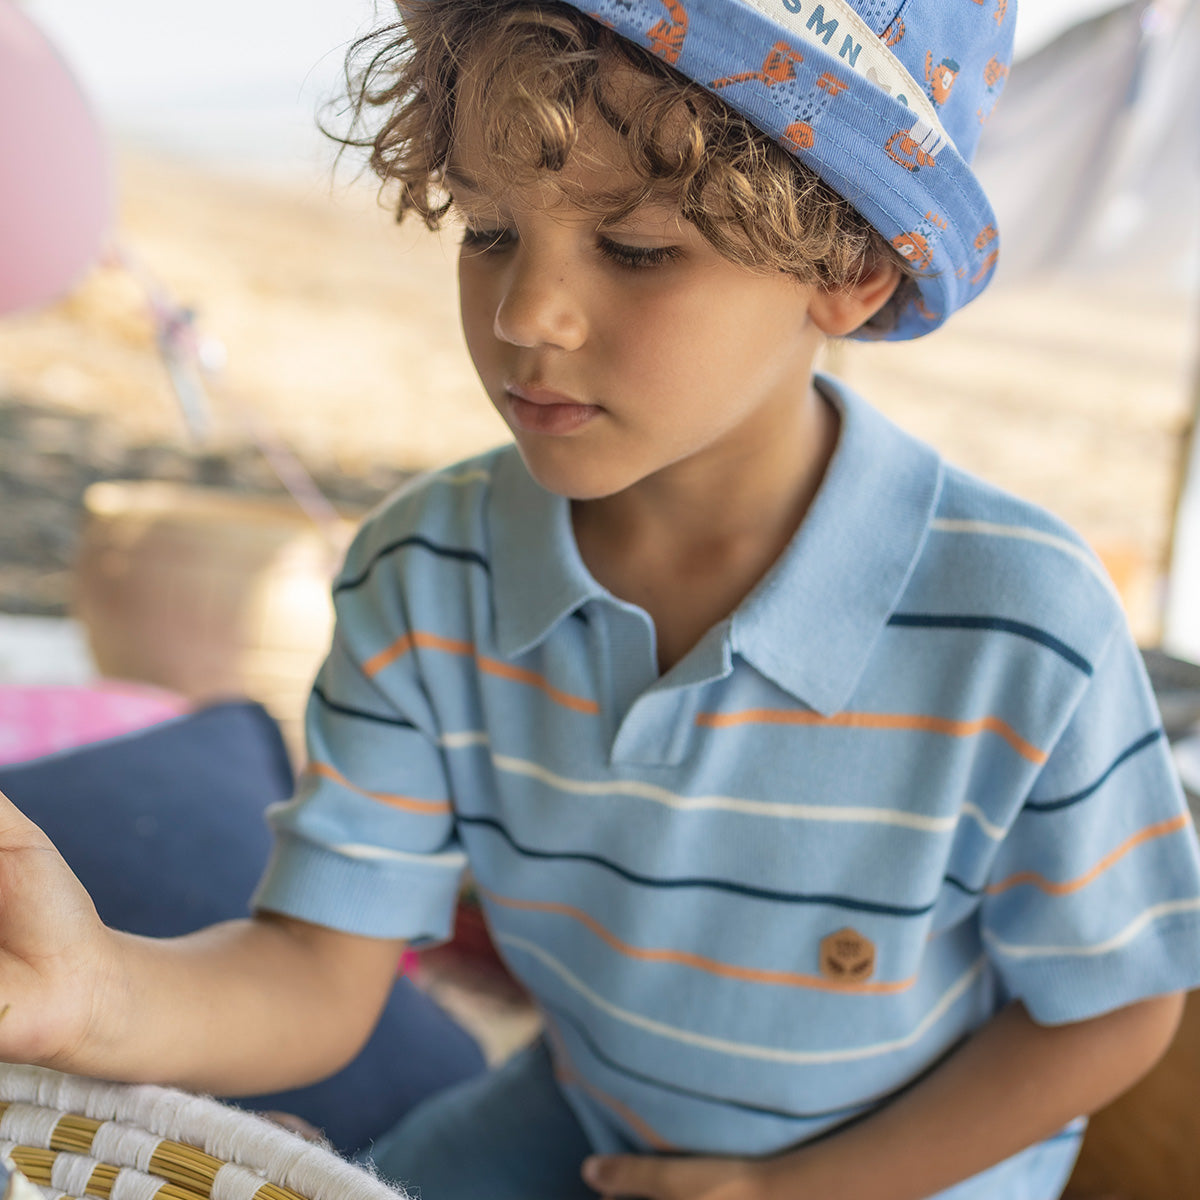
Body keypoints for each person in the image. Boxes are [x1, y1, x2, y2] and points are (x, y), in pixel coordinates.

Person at [1, 0, 1198, 1197]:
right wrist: (91, 993)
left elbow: (1113, 1012)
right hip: (591, 1116)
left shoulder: (1023, 623)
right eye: (486, 229)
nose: (527, 315)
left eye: (634, 249)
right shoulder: (425, 575)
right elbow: (317, 972)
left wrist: (786, 1193)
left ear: (850, 268)